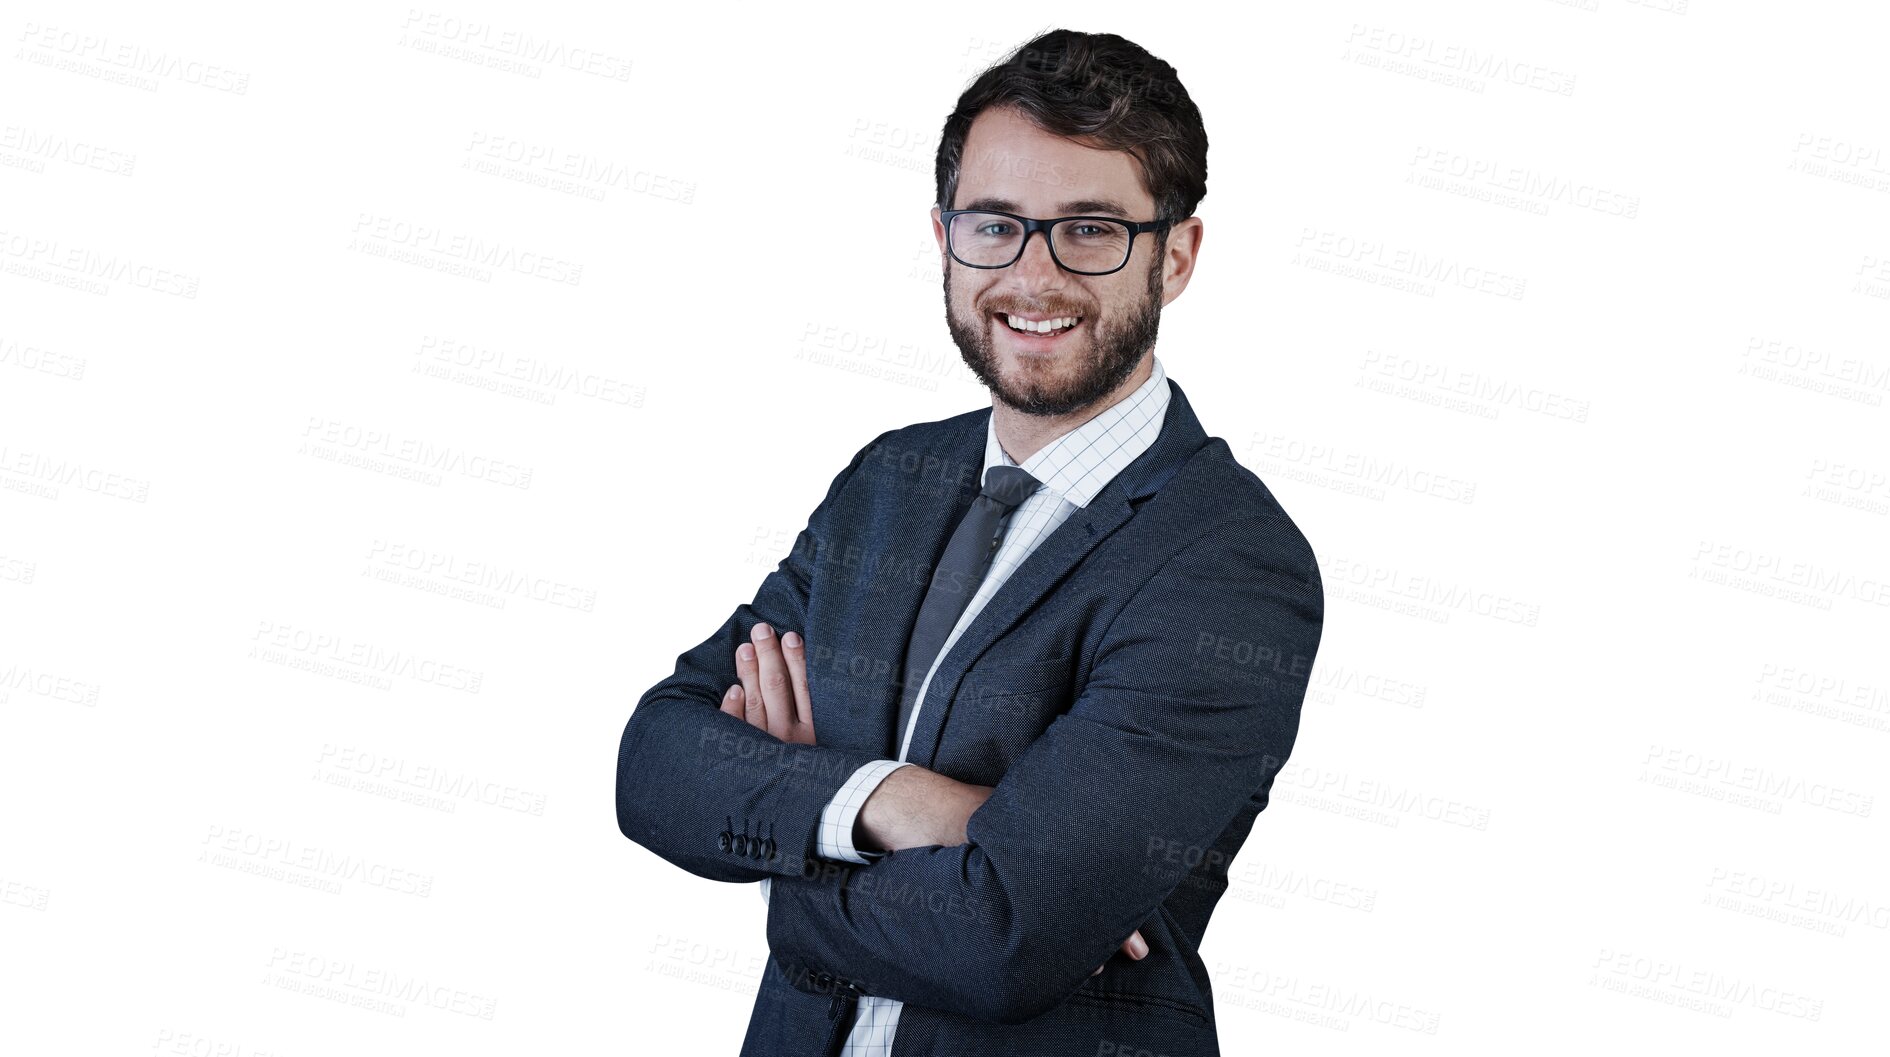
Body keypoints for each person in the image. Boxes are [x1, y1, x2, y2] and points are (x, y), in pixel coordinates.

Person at [617, 28, 1324, 1056]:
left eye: (1088, 230)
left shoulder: (1229, 560)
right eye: (996, 225)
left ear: (1175, 257)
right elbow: (657, 760)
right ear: (946, 236)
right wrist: (889, 801)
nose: (1032, 276)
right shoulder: (889, 481)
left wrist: (786, 855)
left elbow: (1004, 936)